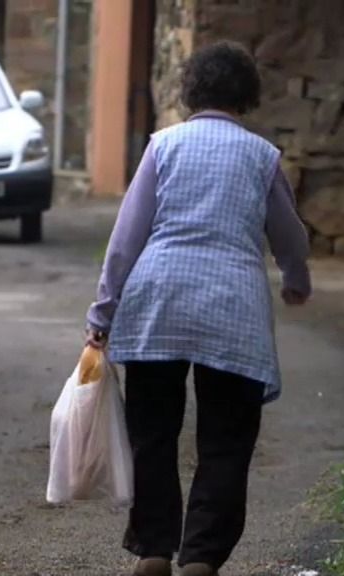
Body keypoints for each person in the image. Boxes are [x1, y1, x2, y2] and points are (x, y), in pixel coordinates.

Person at [85, 40, 312, 576]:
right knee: (227, 439)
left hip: (157, 300)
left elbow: (125, 240)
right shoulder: (262, 157)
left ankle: (155, 549)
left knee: (153, 433)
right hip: (232, 309)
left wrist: (102, 314)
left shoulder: (163, 147)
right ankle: (202, 556)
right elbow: (289, 237)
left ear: (190, 92)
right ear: (247, 97)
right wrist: (296, 282)